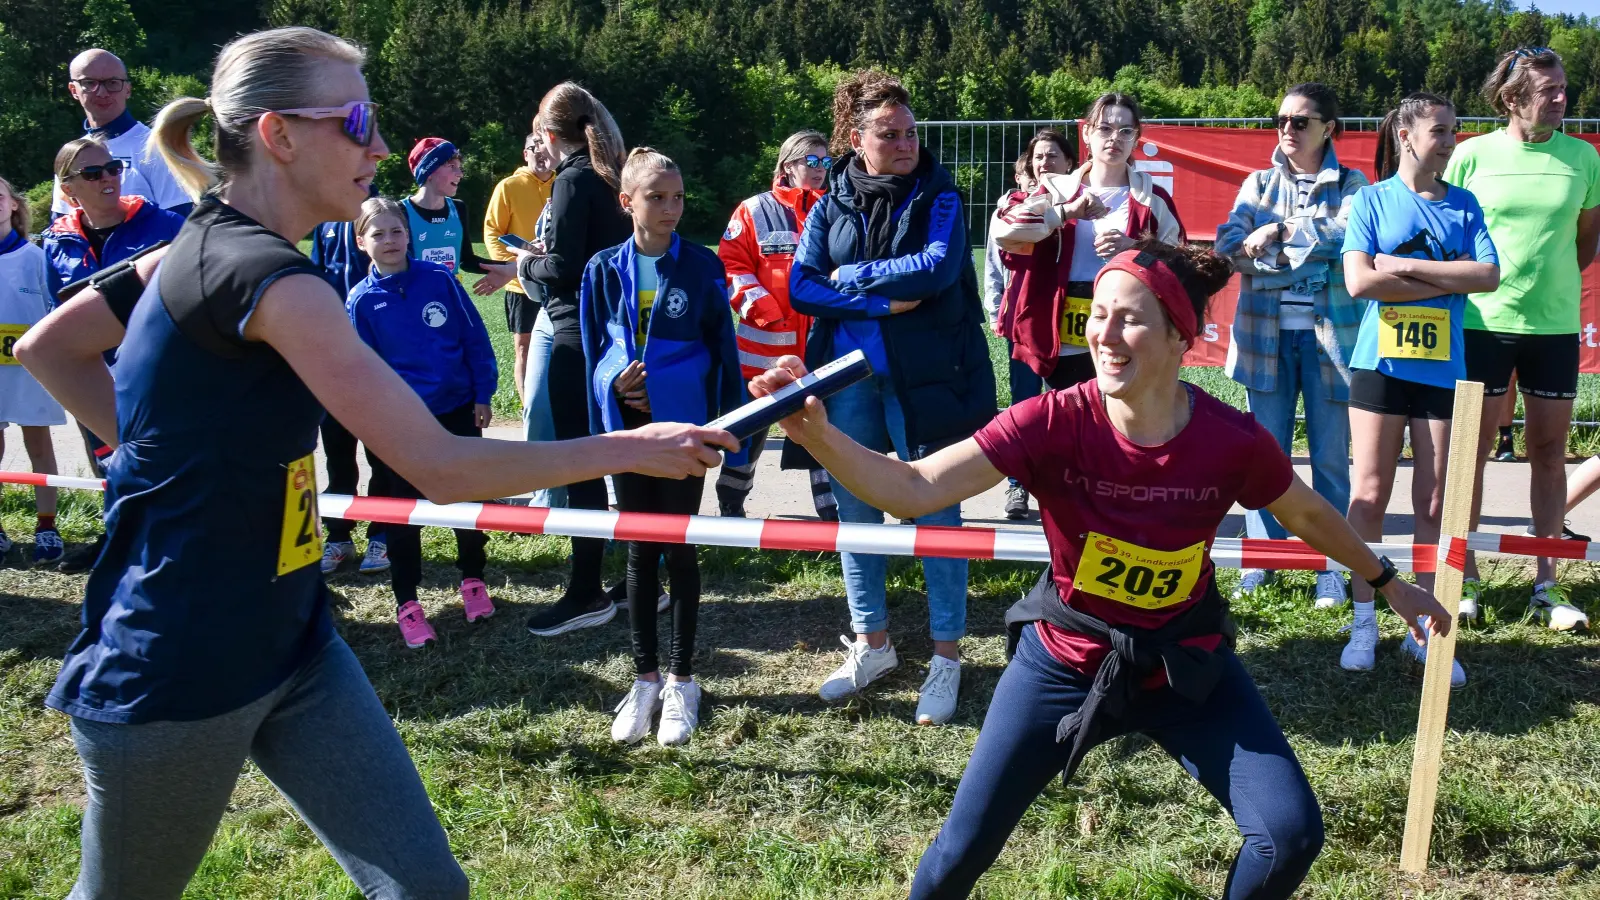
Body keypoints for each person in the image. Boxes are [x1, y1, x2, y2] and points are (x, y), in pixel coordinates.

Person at [13, 27, 733, 899]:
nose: (382, 147)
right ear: (278, 134)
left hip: (296, 641)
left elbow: (53, 348)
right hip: (175, 666)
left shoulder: (198, 246)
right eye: (357, 122)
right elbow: (441, 467)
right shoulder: (281, 285)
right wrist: (633, 444)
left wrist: (153, 454)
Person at [751, 240, 1453, 900]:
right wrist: (817, 433)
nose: (1106, 335)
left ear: (1181, 336)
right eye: (1099, 315)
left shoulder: (1230, 439)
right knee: (958, 853)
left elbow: (1306, 514)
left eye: (1132, 320)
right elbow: (912, 488)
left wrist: (1390, 583)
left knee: (1291, 835)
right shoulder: (1051, 420)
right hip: (1062, 664)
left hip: (1185, 664)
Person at [788, 70, 997, 726]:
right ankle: (872, 644)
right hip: (848, 380)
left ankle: (946, 657)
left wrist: (854, 274)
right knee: (856, 514)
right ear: (858, 139)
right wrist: (879, 298)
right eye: (890, 133)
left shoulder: (940, 193)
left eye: (910, 131)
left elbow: (937, 268)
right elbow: (801, 284)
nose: (905, 142)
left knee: (936, 515)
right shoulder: (830, 202)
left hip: (927, 380)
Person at [584, 149, 746, 746]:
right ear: (627, 202)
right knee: (637, 550)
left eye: (677, 197)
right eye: (657, 197)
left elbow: (717, 353)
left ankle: (682, 679)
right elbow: (597, 353)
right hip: (628, 434)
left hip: (681, 433)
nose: (671, 208)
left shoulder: (702, 266)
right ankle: (644, 678)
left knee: (679, 548)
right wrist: (615, 384)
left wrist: (713, 421)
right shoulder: (602, 268)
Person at [1340, 92, 1499, 685]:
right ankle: (1362, 621)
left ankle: (1426, 629)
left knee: (1435, 503)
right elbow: (1359, 281)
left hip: (1443, 373)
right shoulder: (1372, 200)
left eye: (1454, 130)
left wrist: (1404, 269)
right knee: (1370, 496)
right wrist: (1444, 280)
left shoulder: (1465, 204)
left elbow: (1487, 274)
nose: (1452, 140)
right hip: (1379, 367)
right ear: (1406, 136)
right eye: (1440, 131)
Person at [1446, 46, 1600, 628]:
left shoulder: (1584, 158)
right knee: (1473, 455)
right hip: (1481, 324)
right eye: (1549, 90)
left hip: (1554, 327)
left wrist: (1547, 288)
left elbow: (1585, 243)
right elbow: (1452, 234)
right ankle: (1465, 581)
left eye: (1564, 88)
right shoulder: (1471, 156)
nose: (1562, 98)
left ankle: (1548, 586)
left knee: (1548, 455)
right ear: (1512, 98)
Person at [1214, 83, 1367, 610]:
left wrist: (1276, 232)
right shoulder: (1256, 181)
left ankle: (1331, 564)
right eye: (1281, 120)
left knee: (1330, 460)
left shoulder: (1352, 182)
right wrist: (1297, 258)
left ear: (1329, 127)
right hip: (1265, 340)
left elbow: (1347, 239)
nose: (1287, 129)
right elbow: (1229, 248)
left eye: (1301, 121)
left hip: (1331, 343)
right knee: (1264, 457)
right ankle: (1262, 559)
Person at [346, 197, 499, 647]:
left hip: (455, 409)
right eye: (378, 234)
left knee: (466, 501)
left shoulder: (439, 280)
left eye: (396, 231)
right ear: (362, 242)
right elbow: (362, 372)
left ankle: (473, 579)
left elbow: (474, 336)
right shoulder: (360, 301)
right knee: (402, 513)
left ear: (408, 234)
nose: (389, 241)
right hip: (399, 426)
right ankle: (407, 602)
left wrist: (482, 393)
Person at [513, 82, 635, 637]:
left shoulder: (573, 179)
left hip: (573, 335)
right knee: (625, 459)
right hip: (615, 335)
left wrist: (524, 268)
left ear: (548, 132)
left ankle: (586, 591)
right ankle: (640, 580)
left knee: (582, 464)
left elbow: (562, 267)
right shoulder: (613, 174)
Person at [41, 136, 185, 572]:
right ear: (68, 190)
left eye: (112, 168)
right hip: (97, 375)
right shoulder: (56, 242)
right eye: (92, 173)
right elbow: (57, 313)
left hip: (162, 374)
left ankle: (183, 547)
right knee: (112, 465)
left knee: (173, 465)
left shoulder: (165, 227)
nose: (107, 178)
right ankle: (119, 539)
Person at [990, 94, 1183, 392]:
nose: (1114, 138)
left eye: (1125, 131)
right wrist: (1066, 212)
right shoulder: (1055, 189)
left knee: (1115, 421)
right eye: (1104, 129)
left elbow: (1179, 263)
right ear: (1087, 133)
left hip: (1124, 332)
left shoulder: (1153, 199)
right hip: (1060, 337)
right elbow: (1005, 231)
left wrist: (1134, 248)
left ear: (1136, 138)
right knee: (1066, 422)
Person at [714, 129, 838, 521]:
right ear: (788, 166)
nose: (819, 170)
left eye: (825, 162)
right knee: (748, 432)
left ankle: (831, 511)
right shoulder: (753, 210)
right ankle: (731, 501)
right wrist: (764, 308)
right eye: (811, 161)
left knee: (824, 430)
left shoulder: (837, 209)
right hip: (762, 352)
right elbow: (731, 265)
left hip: (820, 346)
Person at [988, 129, 1073, 520]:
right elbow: (995, 258)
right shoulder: (1013, 205)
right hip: (1024, 319)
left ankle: (1064, 486)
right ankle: (1018, 487)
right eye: (1039, 156)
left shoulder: (1084, 204)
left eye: (1053, 156)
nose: (1045, 163)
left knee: (1071, 407)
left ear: (1070, 163)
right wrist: (995, 310)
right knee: (1024, 404)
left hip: (1071, 325)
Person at [310, 183, 389, 577]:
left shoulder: (379, 213)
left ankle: (383, 533)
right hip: (332, 356)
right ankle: (339, 536)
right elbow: (315, 276)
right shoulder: (323, 216)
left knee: (381, 455)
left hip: (374, 358)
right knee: (338, 454)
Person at [0, 175, 68, 564]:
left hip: (29, 371)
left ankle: (47, 525)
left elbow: (58, 311)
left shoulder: (38, 258)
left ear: (14, 205)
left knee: (39, 444)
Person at [50, 49, 191, 218]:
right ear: (73, 90)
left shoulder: (157, 148)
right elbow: (61, 229)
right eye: (89, 83)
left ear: (128, 89)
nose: (102, 92)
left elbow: (180, 225)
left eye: (112, 83)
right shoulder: (71, 156)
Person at [486, 129, 556, 408]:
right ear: (524, 154)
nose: (539, 153)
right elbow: (492, 230)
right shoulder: (508, 187)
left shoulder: (563, 183)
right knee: (524, 348)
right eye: (532, 149)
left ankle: (553, 405)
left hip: (555, 280)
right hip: (520, 284)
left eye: (543, 147)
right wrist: (510, 267)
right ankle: (530, 409)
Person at [401, 137, 513, 296]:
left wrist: (510, 267)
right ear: (429, 171)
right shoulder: (400, 212)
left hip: (451, 299)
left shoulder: (458, 208)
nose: (460, 174)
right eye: (452, 166)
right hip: (413, 302)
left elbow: (466, 260)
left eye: (460, 168)